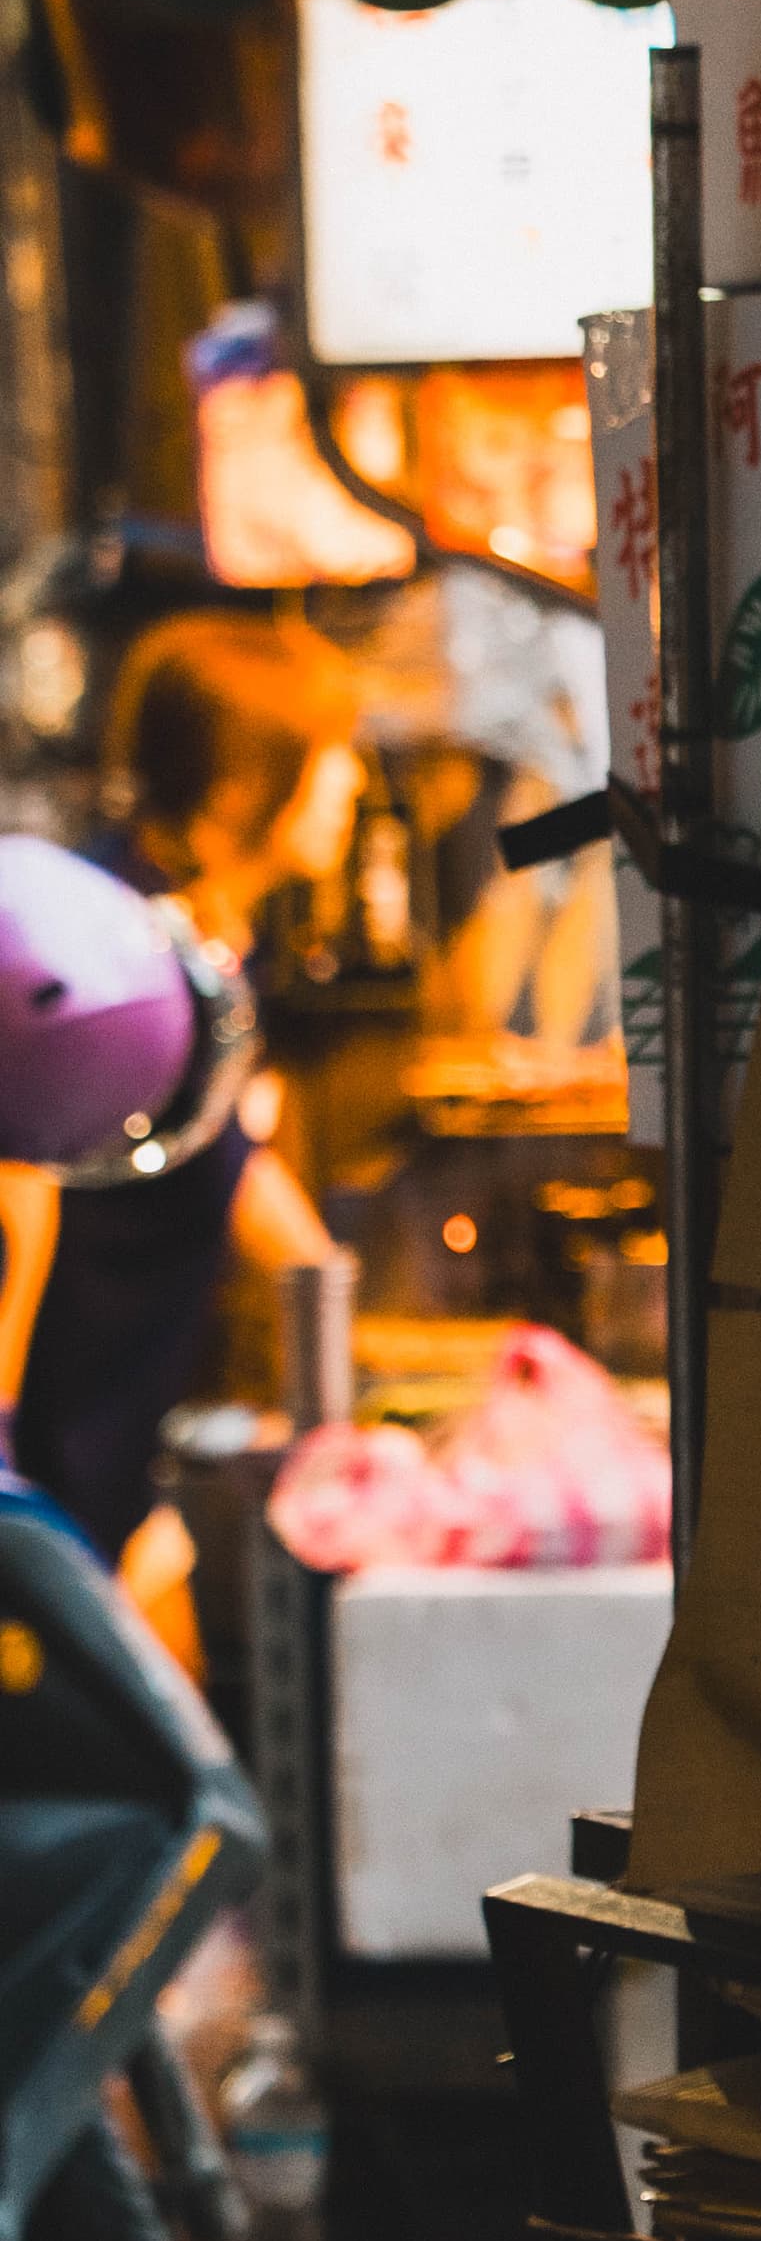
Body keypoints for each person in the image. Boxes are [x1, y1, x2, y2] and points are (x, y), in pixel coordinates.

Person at [5, 617, 360, 1557]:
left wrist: (330, 1317)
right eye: (331, 756)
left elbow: (232, 1160)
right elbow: (19, 1189)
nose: (353, 783)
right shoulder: (108, 954)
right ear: (245, 781)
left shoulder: (214, 948)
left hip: (117, 1434)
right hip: (51, 1446)